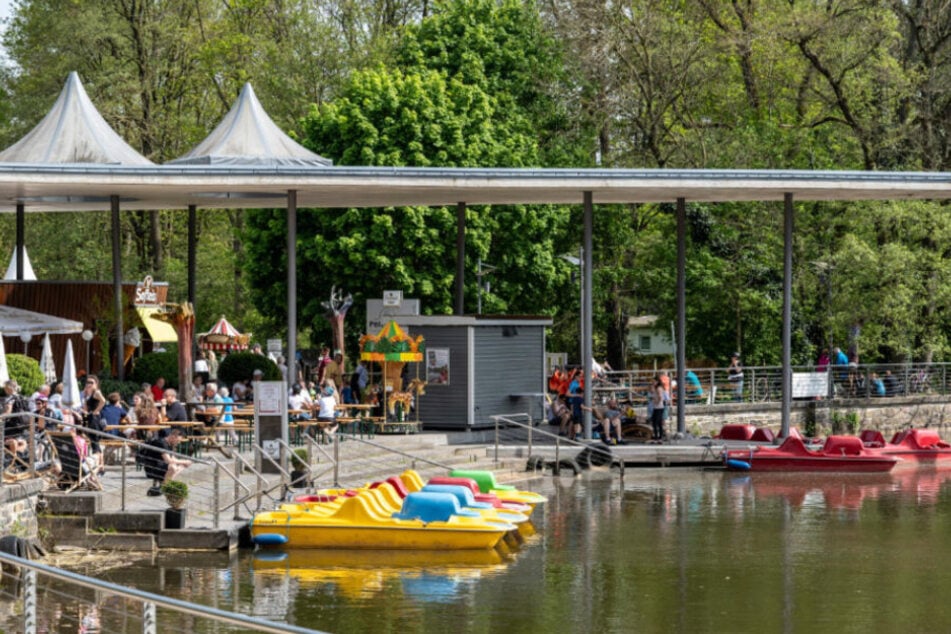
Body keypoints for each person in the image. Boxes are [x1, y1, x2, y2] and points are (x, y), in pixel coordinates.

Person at [142, 428, 192, 495]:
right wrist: (184, 461)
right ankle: (164, 487)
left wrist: (184, 463)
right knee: (173, 467)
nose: (179, 442)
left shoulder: (169, 444)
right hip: (152, 468)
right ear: (174, 436)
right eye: (178, 440)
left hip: (160, 466)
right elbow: (168, 460)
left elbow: (173, 458)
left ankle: (165, 485)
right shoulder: (161, 443)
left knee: (181, 466)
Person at [649, 375, 668, 441]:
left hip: (658, 407)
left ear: (657, 381)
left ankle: (657, 436)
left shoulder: (658, 388)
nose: (653, 383)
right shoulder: (657, 388)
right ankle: (660, 436)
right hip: (658, 407)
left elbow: (660, 397)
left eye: (654, 381)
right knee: (659, 422)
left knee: (655, 422)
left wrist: (656, 402)